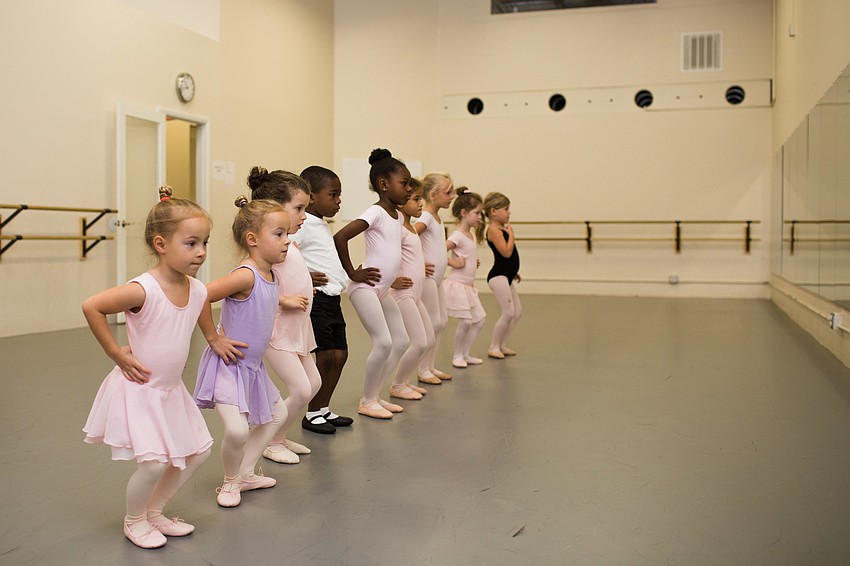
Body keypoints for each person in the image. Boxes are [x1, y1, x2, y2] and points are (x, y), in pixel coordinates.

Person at [82, 187, 235, 548]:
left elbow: (200, 314)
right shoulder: (143, 289)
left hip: (171, 390)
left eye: (205, 243)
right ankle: (134, 521)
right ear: (161, 244)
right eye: (191, 243)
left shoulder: (198, 290)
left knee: (198, 452)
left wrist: (214, 339)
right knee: (152, 463)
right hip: (142, 389)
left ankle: (155, 512)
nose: (200, 252)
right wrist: (116, 353)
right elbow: (93, 306)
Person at [193, 195, 290, 508]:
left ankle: (246, 473)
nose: (287, 241)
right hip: (229, 365)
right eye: (279, 235)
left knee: (279, 414)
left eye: (288, 233)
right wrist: (213, 338)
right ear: (253, 239)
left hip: (253, 368)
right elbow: (201, 297)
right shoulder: (245, 274)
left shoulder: (271, 274)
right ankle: (231, 481)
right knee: (236, 430)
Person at [243, 167, 321, 464]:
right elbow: (256, 281)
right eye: (299, 208)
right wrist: (283, 298)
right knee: (300, 388)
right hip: (277, 330)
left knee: (312, 384)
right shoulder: (269, 246)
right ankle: (267, 440)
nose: (304, 215)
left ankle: (278, 436)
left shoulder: (290, 241)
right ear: (276, 209)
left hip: (298, 328)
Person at [333, 148, 412, 419]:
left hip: (383, 289)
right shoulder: (375, 212)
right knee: (383, 343)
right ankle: (367, 401)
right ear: (383, 185)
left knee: (401, 341)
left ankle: (375, 395)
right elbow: (341, 237)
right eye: (404, 183)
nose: (409, 189)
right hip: (365, 288)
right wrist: (352, 273)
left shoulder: (399, 216)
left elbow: (391, 251)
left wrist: (394, 277)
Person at [295, 165, 354, 435]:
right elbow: (285, 256)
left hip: (332, 300)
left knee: (340, 354)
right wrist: (305, 275)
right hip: (317, 301)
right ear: (311, 196)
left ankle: (323, 408)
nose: (338, 201)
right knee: (325, 356)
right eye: (334, 194)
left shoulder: (320, 223)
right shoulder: (303, 224)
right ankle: (311, 412)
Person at [388, 177, 433, 400]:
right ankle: (397, 385)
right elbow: (387, 257)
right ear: (400, 202)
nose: (420, 204)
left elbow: (409, 256)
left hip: (416, 293)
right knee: (418, 342)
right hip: (403, 293)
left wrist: (420, 265)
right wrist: (391, 279)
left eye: (420, 199)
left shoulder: (411, 228)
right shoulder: (397, 228)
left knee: (429, 339)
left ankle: (403, 382)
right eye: (415, 199)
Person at [414, 172, 456, 384]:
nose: (452, 196)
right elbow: (409, 237)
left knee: (442, 322)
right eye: (448, 192)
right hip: (428, 278)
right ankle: (423, 370)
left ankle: (430, 366)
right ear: (432, 195)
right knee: (433, 322)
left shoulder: (437, 218)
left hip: (438, 278)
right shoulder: (426, 217)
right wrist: (417, 263)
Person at [443, 188, 486, 369]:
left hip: (468, 285)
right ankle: (457, 355)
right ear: (464, 213)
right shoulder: (457, 236)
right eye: (477, 213)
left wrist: (471, 262)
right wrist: (453, 262)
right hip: (457, 285)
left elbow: (467, 254)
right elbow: (438, 252)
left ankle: (466, 353)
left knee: (480, 320)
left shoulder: (471, 235)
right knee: (466, 321)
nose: (480, 217)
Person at [483, 192, 522, 359]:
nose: (509, 212)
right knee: (508, 312)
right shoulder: (493, 230)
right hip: (498, 276)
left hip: (506, 276)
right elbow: (506, 252)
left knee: (517, 312)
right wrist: (511, 234)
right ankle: (494, 346)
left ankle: (502, 345)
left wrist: (514, 272)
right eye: (506, 209)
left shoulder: (500, 228)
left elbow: (508, 257)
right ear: (494, 211)